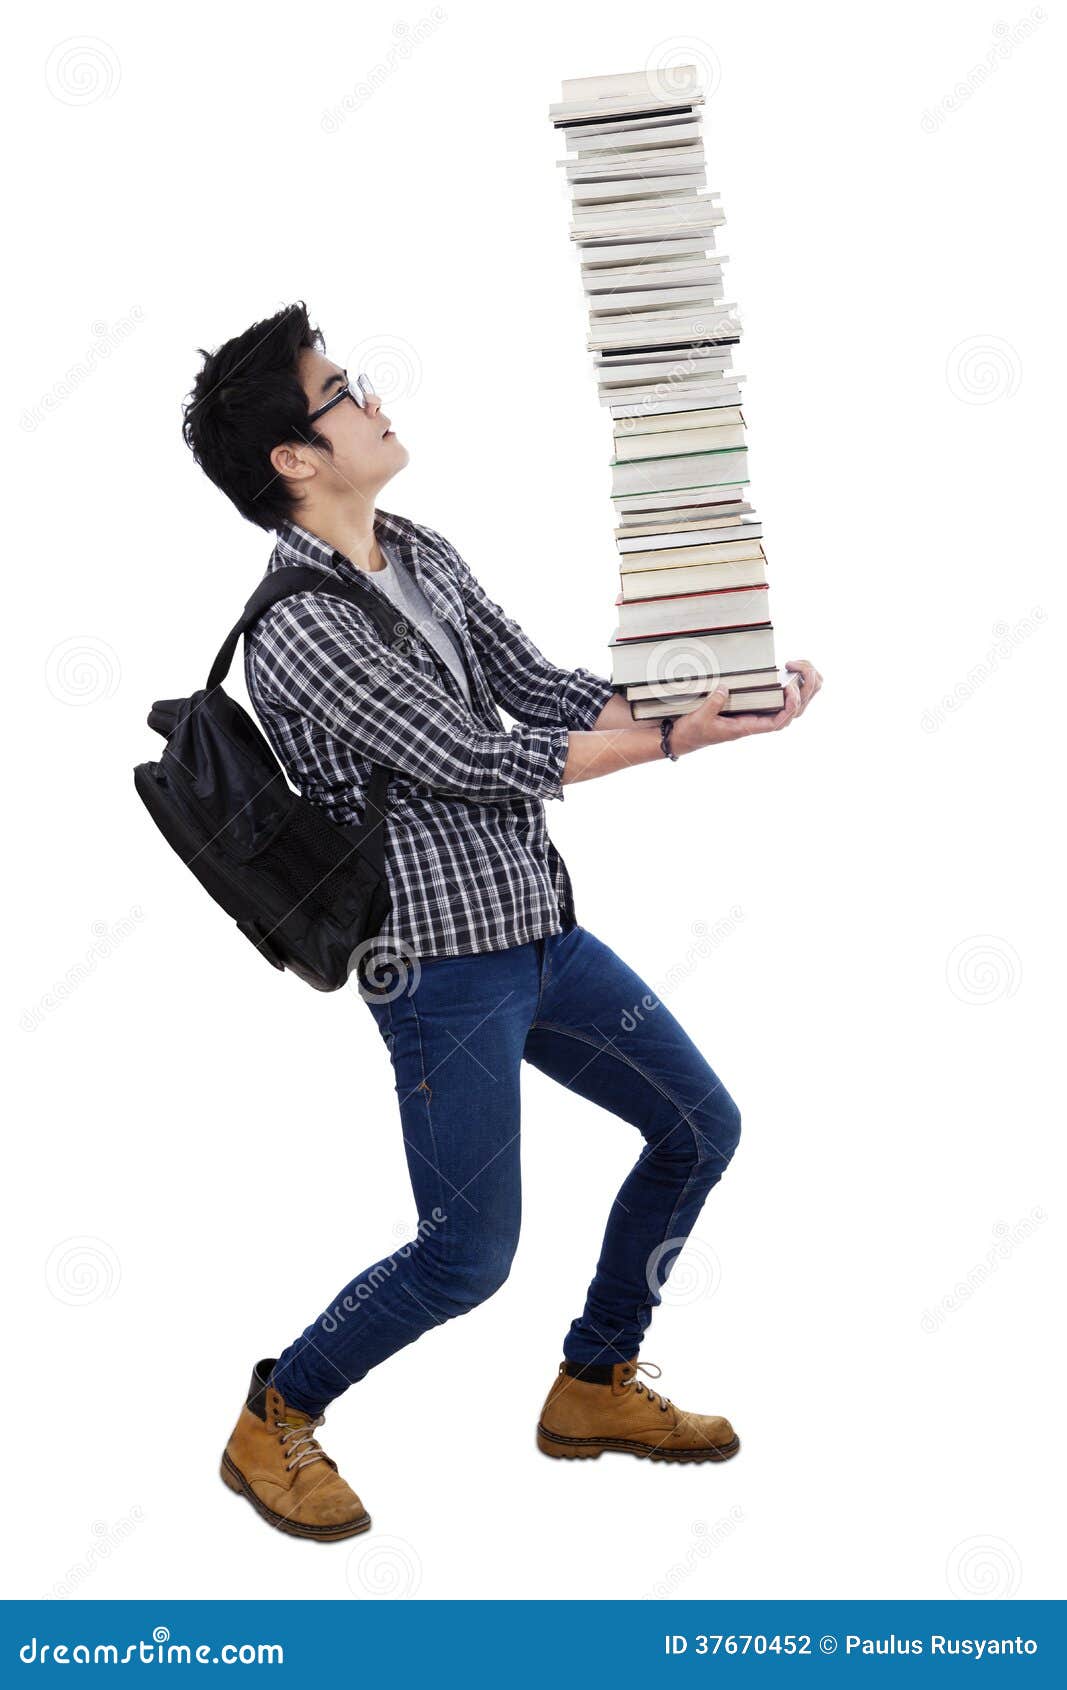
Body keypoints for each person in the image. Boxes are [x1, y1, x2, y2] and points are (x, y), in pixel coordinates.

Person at [181, 302, 822, 1543]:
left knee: (697, 1127)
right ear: (294, 461)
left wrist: (717, 691)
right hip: (436, 969)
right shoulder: (302, 623)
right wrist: (678, 741)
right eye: (341, 391)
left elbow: (535, 687)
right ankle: (277, 1412)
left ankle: (592, 1382)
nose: (372, 397)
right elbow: (478, 756)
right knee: (467, 1256)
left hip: (537, 929)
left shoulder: (413, 548)